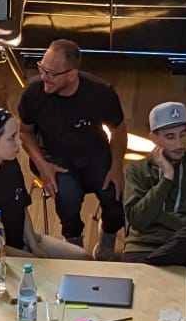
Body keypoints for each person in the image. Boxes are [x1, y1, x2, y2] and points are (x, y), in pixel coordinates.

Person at [18, 39, 128, 258]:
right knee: (67, 197)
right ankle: (74, 247)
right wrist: (42, 165)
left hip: (94, 154)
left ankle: (106, 242)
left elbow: (119, 131)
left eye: (51, 73)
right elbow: (25, 132)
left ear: (72, 74)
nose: (44, 77)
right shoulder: (33, 93)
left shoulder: (100, 92)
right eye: (42, 68)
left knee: (114, 197)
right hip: (53, 157)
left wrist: (116, 167)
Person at [0, 105, 84, 259]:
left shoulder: (9, 163)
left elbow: (21, 207)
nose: (19, 142)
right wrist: (29, 258)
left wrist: (34, 246)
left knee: (83, 258)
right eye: (12, 138)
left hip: (17, 241)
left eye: (18, 134)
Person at [121, 101, 186, 284]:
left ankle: (146, 268)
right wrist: (167, 179)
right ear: (153, 138)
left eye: (183, 134)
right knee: (149, 291)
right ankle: (148, 269)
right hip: (141, 247)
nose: (179, 144)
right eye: (170, 137)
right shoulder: (136, 172)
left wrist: (158, 216)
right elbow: (137, 220)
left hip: (184, 251)